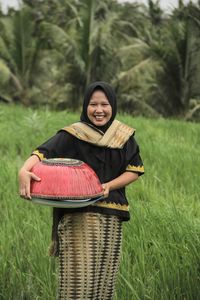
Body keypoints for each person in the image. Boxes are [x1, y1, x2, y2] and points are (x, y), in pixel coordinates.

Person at [18, 81, 144, 300]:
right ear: (85, 105)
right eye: (93, 104)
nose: (99, 110)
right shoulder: (74, 133)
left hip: (112, 217)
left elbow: (134, 169)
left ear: (112, 105)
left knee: (103, 286)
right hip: (79, 217)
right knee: (77, 287)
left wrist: (109, 186)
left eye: (104, 104)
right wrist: (23, 171)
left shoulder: (123, 137)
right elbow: (42, 152)